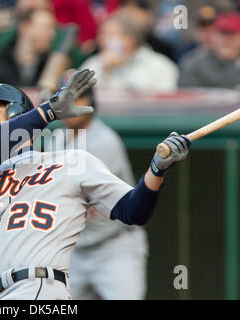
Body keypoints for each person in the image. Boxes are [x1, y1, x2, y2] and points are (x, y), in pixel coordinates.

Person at [0, 69, 191, 300]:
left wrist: (156, 170)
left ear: (17, 114)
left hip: (41, 288)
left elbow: (133, 211)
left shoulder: (71, 161)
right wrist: (49, 111)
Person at [45, 69, 148, 300]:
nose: (70, 105)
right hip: (73, 252)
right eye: (64, 98)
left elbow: (75, 197)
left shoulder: (104, 141)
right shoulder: (56, 139)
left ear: (89, 101)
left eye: (77, 97)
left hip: (114, 246)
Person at [81, 11, 179, 93]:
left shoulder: (160, 66)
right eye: (101, 34)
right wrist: (105, 71)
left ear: (130, 39)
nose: (100, 40)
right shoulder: (94, 64)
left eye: (109, 35)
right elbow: (83, 99)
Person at [179, 11, 240, 90]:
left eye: (232, 34)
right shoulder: (195, 63)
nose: (226, 40)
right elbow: (187, 94)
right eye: (222, 34)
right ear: (213, 36)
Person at [0, 8, 57, 87]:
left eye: (52, 28)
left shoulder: (52, 63)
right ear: (25, 28)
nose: (52, 34)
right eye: (45, 27)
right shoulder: (0, 61)